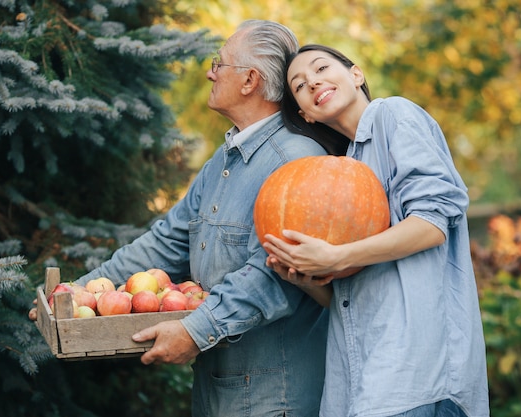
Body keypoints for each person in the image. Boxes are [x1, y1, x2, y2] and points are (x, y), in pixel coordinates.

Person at [33, 23, 337, 417]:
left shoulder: (295, 162)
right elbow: (163, 244)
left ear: (249, 80)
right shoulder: (223, 163)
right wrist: (73, 296)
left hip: (273, 397)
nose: (211, 73)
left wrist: (195, 330)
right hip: (218, 390)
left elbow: (272, 276)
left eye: (219, 64)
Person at [263, 44, 490, 417]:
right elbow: (349, 296)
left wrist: (336, 256)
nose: (313, 81)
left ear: (356, 75)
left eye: (321, 68)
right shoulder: (342, 169)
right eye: (300, 85)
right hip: (360, 379)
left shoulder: (393, 115)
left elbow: (432, 224)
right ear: (306, 114)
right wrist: (307, 276)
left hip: (416, 376)